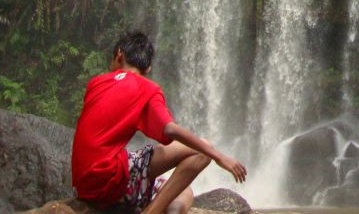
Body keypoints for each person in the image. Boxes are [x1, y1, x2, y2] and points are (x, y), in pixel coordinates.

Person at [71, 31, 246, 214]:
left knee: (177, 188)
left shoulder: (96, 83)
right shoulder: (148, 88)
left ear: (119, 55)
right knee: (201, 153)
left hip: (83, 186)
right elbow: (169, 130)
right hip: (109, 183)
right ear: (147, 69)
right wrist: (219, 156)